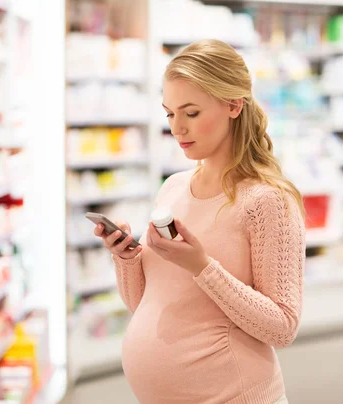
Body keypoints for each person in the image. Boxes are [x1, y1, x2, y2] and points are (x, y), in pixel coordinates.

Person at [92, 39, 305, 404]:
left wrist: (202, 267)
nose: (178, 128)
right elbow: (147, 304)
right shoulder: (173, 188)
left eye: (191, 113)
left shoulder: (267, 201)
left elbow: (282, 327)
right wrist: (126, 258)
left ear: (234, 105)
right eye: (170, 114)